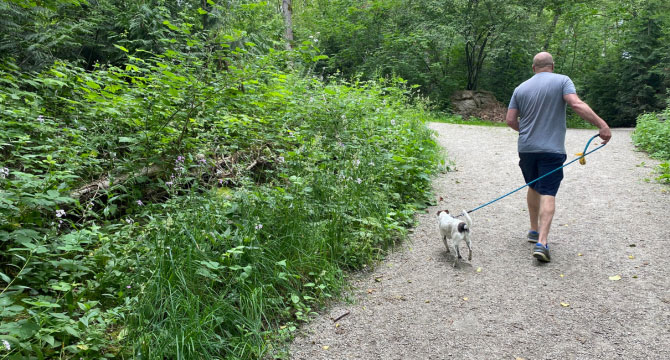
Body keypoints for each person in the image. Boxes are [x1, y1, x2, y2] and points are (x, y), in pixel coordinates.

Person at [505, 52, 611, 262]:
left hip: (526, 149)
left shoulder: (520, 88)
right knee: (548, 192)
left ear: (533, 68)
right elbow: (576, 104)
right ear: (552, 66)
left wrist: (527, 132)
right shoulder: (563, 81)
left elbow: (510, 120)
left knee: (534, 186)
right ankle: (542, 243)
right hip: (551, 149)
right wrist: (602, 125)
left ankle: (534, 230)